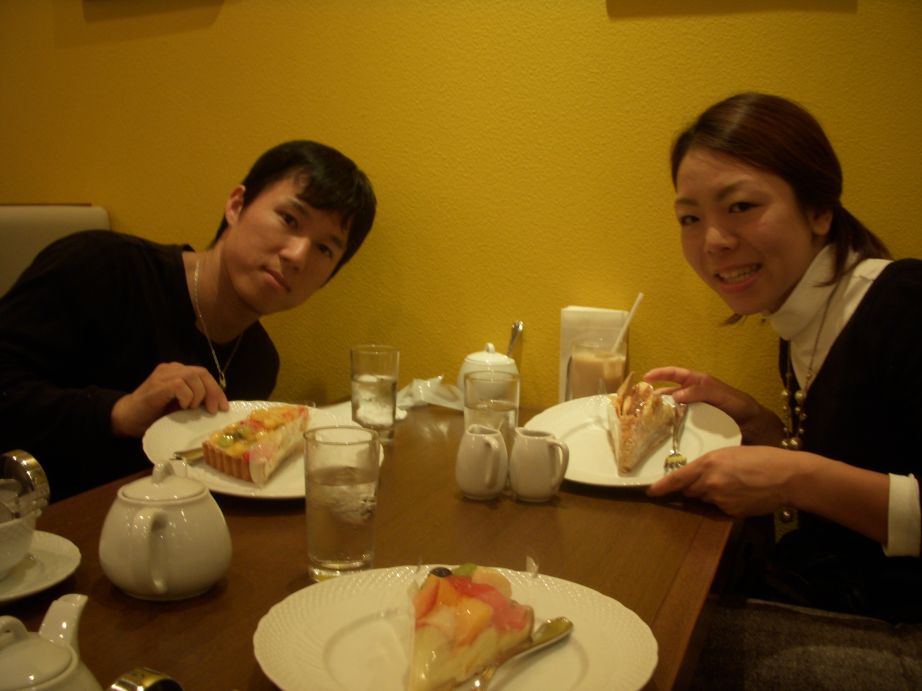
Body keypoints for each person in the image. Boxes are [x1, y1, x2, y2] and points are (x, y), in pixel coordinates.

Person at [644, 92, 922, 623]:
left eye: (741, 207)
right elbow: (866, 455)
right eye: (690, 218)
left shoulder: (904, 305)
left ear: (819, 210)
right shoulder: (800, 315)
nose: (713, 241)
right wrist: (759, 423)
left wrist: (792, 478)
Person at [0, 140, 376, 501]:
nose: (298, 255)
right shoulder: (102, 267)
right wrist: (119, 411)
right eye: (289, 218)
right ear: (237, 205)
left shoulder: (258, 362)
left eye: (324, 248)